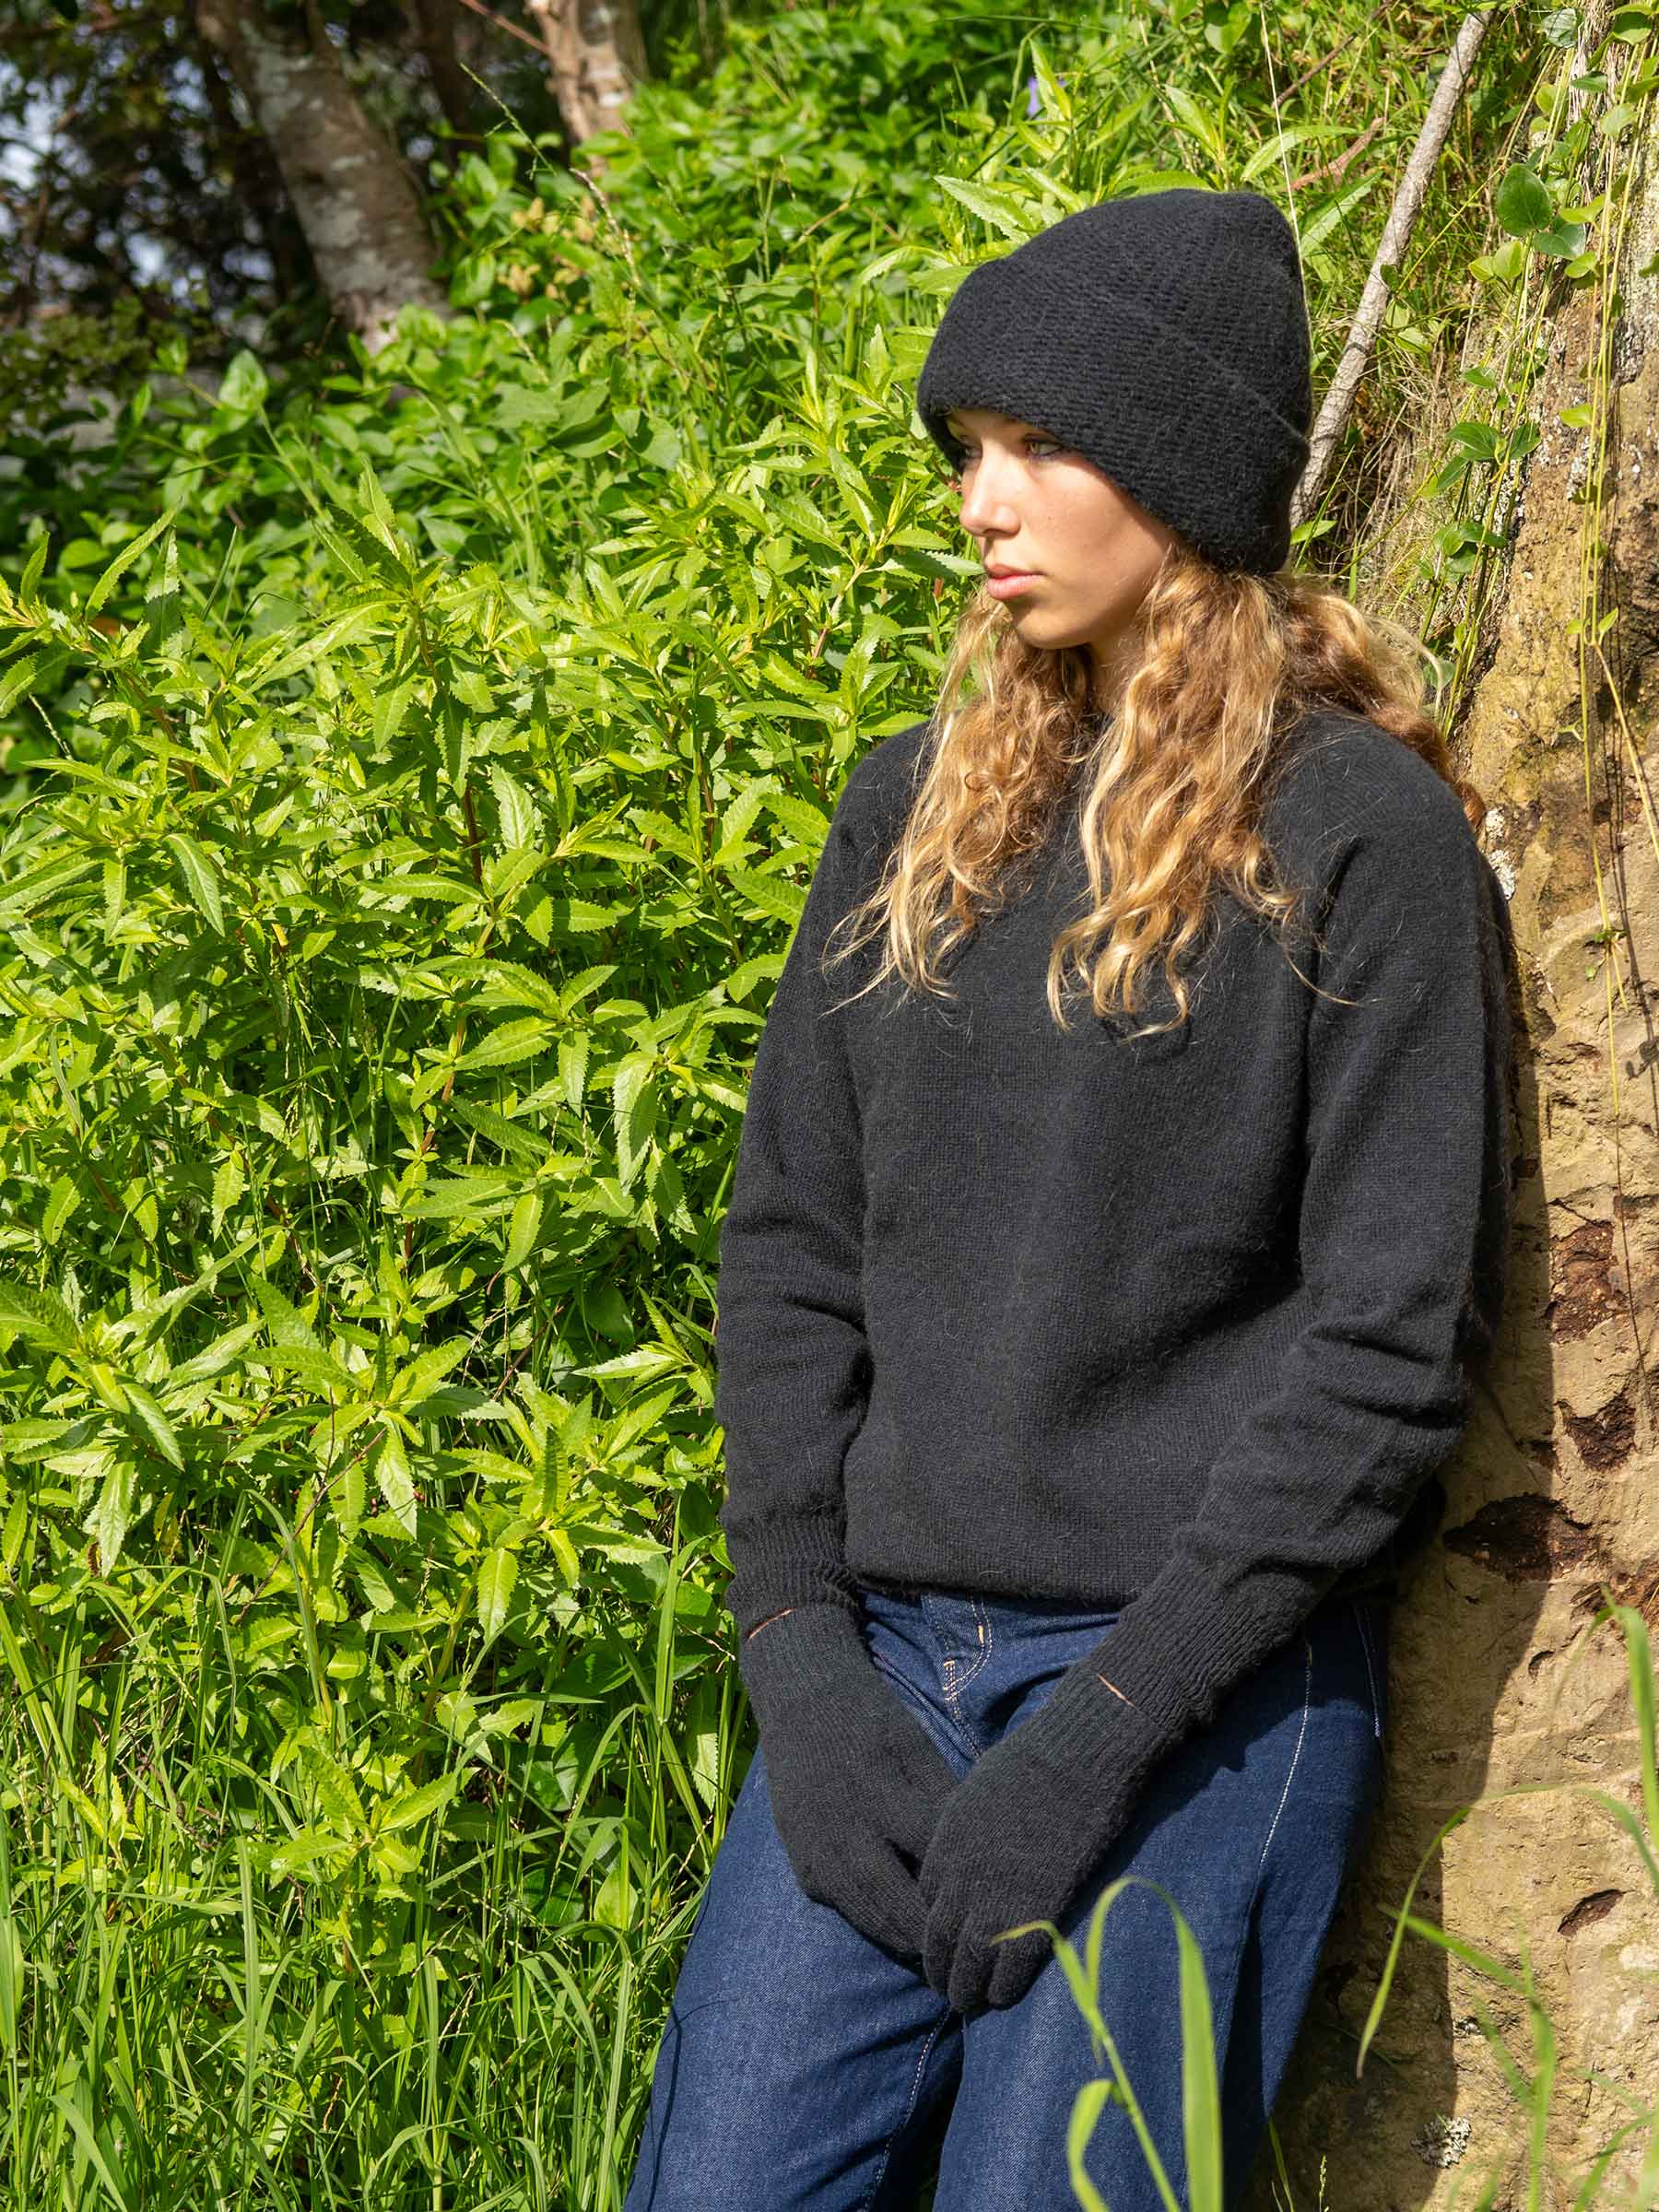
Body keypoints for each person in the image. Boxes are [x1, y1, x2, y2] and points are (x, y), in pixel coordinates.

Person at [621, 186, 1514, 2212]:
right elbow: (789, 1258)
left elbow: (1390, 1349)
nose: (981, 505)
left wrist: (1111, 1727)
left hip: (1196, 1683)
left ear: (1179, 470)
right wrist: (801, 1663)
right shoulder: (910, 808)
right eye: (967, 452)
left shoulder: (1358, 834)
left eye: (1038, 445)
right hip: (881, 1670)